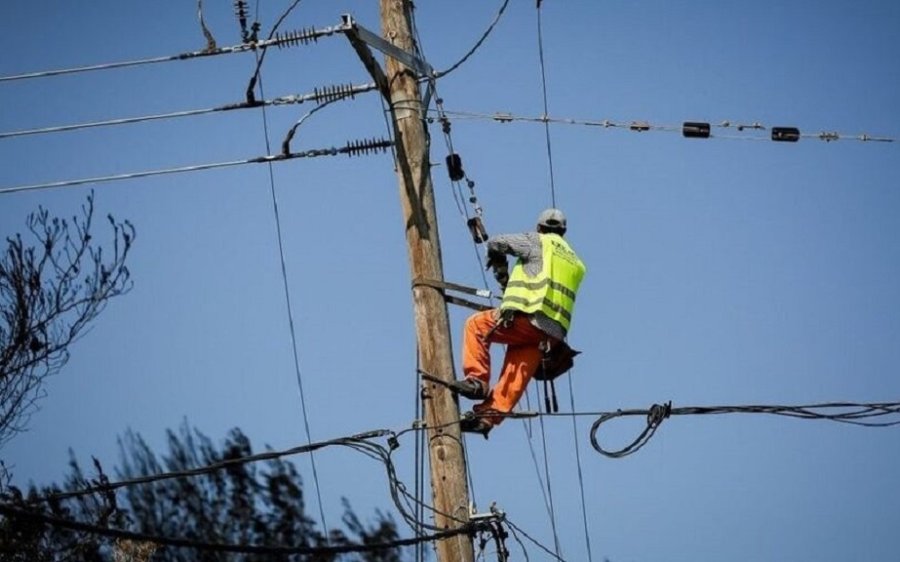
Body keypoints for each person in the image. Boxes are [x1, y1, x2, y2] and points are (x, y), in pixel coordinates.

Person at [450, 208, 586, 437]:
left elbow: (497, 243)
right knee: (517, 370)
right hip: (552, 334)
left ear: (540, 228)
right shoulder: (576, 261)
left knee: (476, 325)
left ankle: (476, 381)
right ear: (563, 232)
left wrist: (501, 271)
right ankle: (487, 418)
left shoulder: (538, 241)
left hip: (531, 318)